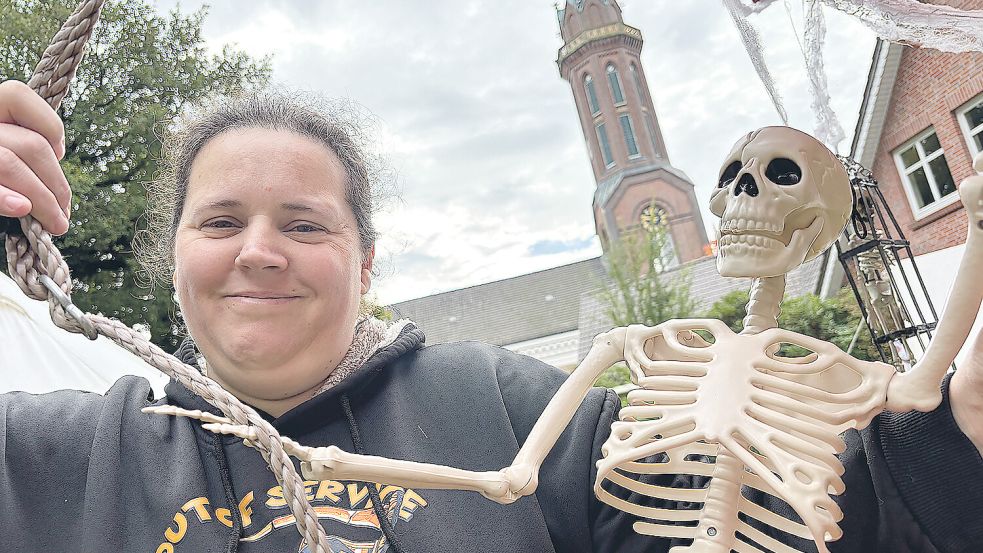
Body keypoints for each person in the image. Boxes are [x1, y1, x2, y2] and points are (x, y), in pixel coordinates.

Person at [0, 77, 980, 553]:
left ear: (366, 260)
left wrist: (953, 444)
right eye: (220, 221)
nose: (259, 249)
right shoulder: (59, 457)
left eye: (304, 222)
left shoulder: (503, 402)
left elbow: (831, 522)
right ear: (172, 255)